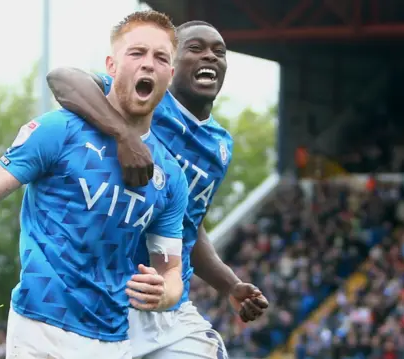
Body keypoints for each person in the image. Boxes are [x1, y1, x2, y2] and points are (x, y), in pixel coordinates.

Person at [0, 10, 190, 359]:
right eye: (137, 53)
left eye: (161, 58)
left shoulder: (171, 175)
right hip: (41, 331)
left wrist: (166, 293)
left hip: (116, 340)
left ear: (170, 75)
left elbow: (171, 269)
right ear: (111, 65)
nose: (148, 64)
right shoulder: (60, 130)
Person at [47, 20, 269, 359]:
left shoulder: (220, 146)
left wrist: (229, 284)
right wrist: (125, 136)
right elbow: (63, 78)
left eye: (219, 52)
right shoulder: (142, 101)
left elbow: (189, 227)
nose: (210, 56)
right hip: (99, 295)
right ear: (171, 63)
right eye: (195, 48)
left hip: (165, 305)